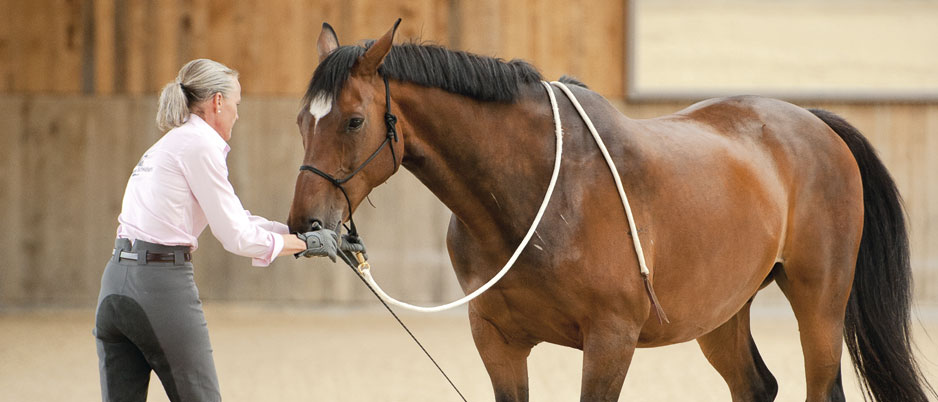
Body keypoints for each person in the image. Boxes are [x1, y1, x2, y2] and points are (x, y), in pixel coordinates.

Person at [93, 58, 359, 402]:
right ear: (217, 102)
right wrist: (304, 243)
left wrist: (307, 239)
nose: (237, 113)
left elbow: (237, 218)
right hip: (159, 290)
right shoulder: (201, 146)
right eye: (236, 104)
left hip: (115, 286)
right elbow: (238, 237)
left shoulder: (169, 146)